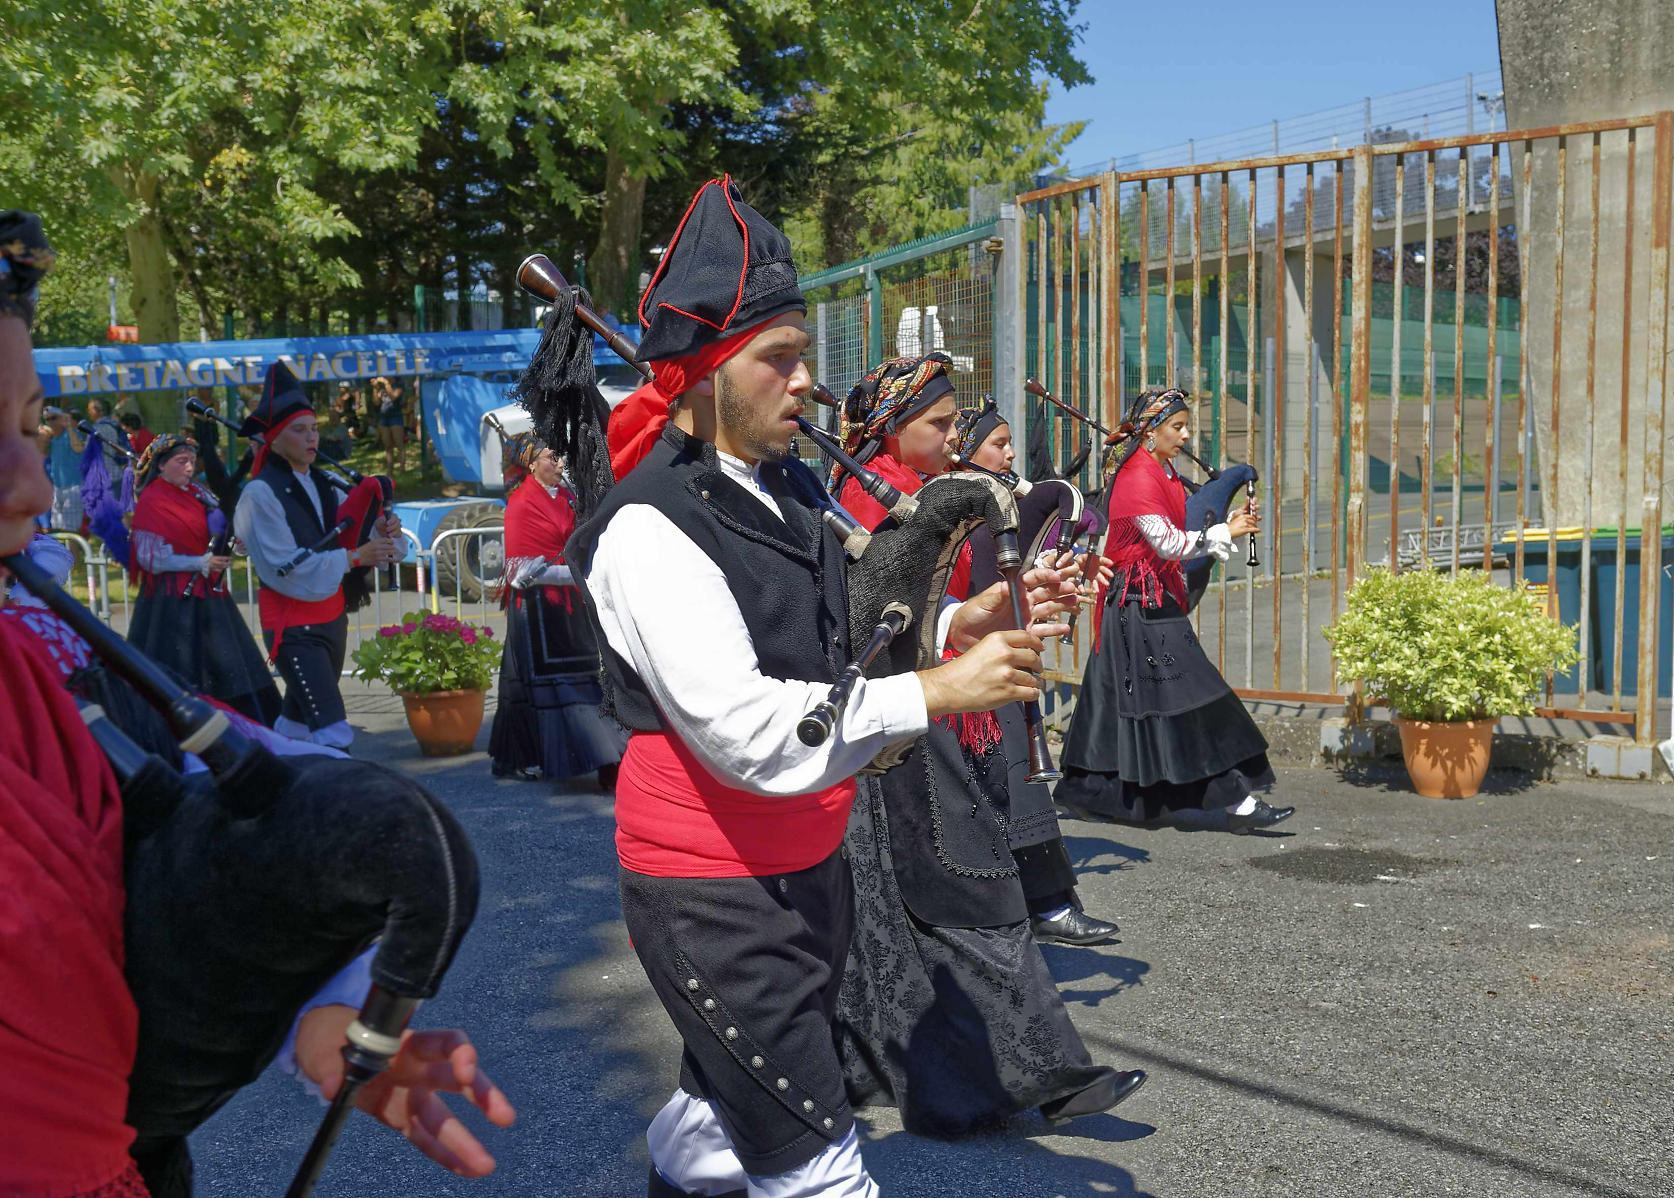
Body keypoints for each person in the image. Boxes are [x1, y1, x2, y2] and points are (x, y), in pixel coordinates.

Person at [0, 208, 514, 1198]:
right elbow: (247, 558)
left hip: (131, 1159)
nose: (29, 481)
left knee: (276, 743)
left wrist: (319, 994)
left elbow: (165, 836)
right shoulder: (242, 500)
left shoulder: (41, 664)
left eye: (27, 426)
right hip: (251, 616)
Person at [561, 176, 1057, 1198]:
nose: (804, 382)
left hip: (806, 860)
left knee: (710, 1127)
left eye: (802, 354)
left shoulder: (787, 491)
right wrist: (941, 688)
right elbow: (751, 730)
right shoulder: (647, 529)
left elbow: (839, 650)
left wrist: (964, 625)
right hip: (712, 892)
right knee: (823, 1173)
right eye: (775, 359)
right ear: (702, 377)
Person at [826, 359, 1144, 1138]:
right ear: (893, 426)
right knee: (970, 893)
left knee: (903, 916)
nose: (954, 437)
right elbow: (866, 630)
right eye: (939, 423)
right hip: (890, 728)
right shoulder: (868, 493)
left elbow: (934, 619)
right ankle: (1037, 1075)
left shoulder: (911, 487)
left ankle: (936, 1076)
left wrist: (1011, 601)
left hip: (912, 718)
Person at [1054, 388, 1294, 832]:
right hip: (1137, 605)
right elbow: (1169, 543)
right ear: (1150, 431)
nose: (1185, 437)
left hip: (1142, 602)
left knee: (1111, 703)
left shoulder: (1159, 468)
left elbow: (1174, 532)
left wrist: (1229, 519)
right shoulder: (1138, 478)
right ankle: (1238, 802)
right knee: (1193, 694)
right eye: (1177, 427)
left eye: (1186, 427)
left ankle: (1081, 793)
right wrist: (1229, 530)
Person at [949, 399, 1120, 946]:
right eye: (998, 443)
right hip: (957, 670)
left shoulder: (988, 502)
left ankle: (1044, 904)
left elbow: (1011, 570)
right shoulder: (950, 503)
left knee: (1020, 788)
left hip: (988, 656)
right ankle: (1024, 909)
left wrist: (1055, 572)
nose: (1010, 453)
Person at [233, 361, 402, 748]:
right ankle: (348, 805)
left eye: (314, 429)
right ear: (274, 438)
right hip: (294, 628)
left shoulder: (324, 484)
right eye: (299, 430)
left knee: (295, 724)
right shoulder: (259, 494)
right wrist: (356, 558)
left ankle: (279, 788)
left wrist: (381, 530)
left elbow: (355, 527)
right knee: (333, 731)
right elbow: (282, 568)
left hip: (331, 620)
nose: (311, 439)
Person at [487, 429, 628, 782]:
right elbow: (519, 570)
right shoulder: (521, 504)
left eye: (560, 456)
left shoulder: (565, 496)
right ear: (531, 463)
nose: (560, 463)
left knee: (574, 679)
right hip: (537, 609)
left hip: (568, 604)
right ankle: (600, 759)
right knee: (544, 684)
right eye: (553, 457)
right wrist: (575, 576)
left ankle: (604, 756)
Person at [124, 432, 281, 724]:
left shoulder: (198, 493)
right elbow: (150, 558)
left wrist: (234, 542)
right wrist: (200, 562)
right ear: (160, 465)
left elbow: (220, 528)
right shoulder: (152, 500)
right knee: (178, 670)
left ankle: (241, 728)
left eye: (192, 461)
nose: (188, 467)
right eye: (181, 461)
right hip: (170, 603)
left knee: (229, 665)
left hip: (208, 594)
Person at [39, 404, 85, 530]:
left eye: (54, 418)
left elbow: (78, 448)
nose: (51, 422)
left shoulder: (71, 433)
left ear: (61, 418)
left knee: (71, 530)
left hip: (73, 487)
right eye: (47, 419)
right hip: (57, 488)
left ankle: (73, 550)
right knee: (58, 528)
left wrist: (69, 426)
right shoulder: (52, 438)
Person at [372, 375, 406, 474]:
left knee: (399, 443)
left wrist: (387, 384)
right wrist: (375, 388)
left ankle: (402, 468)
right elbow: (376, 402)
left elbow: (393, 397)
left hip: (395, 416)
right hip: (384, 417)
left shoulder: (399, 385)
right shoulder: (381, 388)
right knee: (387, 445)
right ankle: (390, 469)